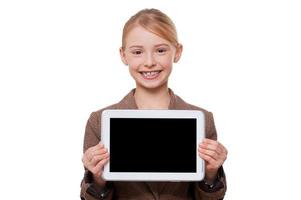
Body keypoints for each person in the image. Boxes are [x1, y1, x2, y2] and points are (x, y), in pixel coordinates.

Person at [80, 8, 227, 200]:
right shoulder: (99, 121)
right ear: (123, 55)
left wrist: (210, 175)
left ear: (178, 52)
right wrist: (98, 179)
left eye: (160, 50)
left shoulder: (202, 119)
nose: (149, 62)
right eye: (138, 52)